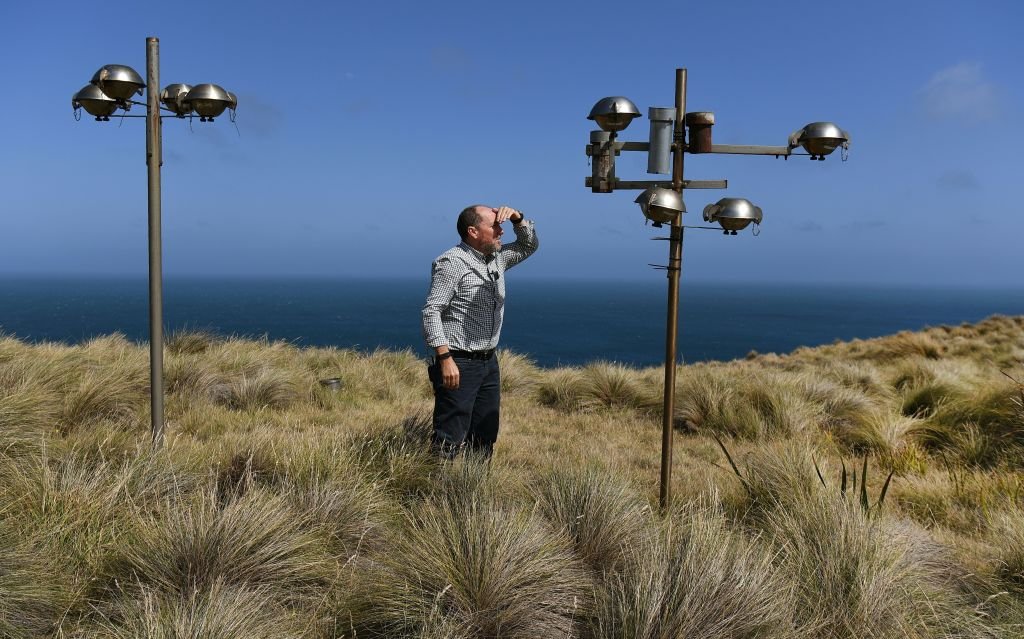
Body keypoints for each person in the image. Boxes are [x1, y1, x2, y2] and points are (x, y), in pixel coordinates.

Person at [422, 204, 539, 459]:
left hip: (488, 362)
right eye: (495, 226)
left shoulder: (496, 257)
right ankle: (428, 493)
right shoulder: (451, 262)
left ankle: (473, 492)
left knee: (485, 435)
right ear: (473, 231)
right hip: (458, 361)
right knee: (449, 437)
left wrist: (518, 219)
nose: (501, 231)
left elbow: (528, 245)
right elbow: (431, 311)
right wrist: (444, 359)